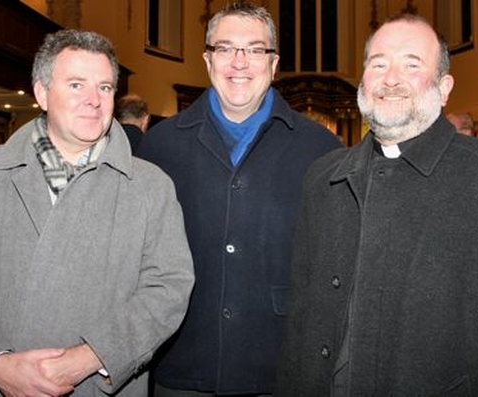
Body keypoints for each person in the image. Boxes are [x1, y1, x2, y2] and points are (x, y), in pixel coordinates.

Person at [276, 13, 478, 396]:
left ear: (443, 87)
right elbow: (302, 318)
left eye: (411, 64)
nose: (391, 79)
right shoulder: (323, 176)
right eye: (378, 64)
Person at [0, 29, 194, 396]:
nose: (94, 100)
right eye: (76, 85)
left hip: (96, 386)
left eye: (105, 87)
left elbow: (168, 287)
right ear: (42, 93)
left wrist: (91, 356)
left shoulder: (150, 186)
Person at [137, 3, 342, 396]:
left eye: (255, 49)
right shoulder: (160, 146)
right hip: (182, 361)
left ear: (274, 62)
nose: (239, 62)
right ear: (207, 60)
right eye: (226, 48)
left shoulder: (321, 149)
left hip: (280, 366)